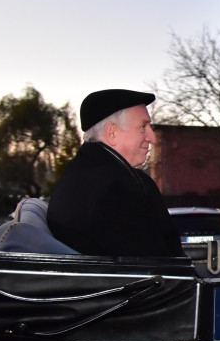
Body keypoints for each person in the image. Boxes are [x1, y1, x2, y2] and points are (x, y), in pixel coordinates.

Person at [47, 89, 184, 257]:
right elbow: (159, 268)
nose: (152, 138)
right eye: (143, 126)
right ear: (111, 133)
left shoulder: (78, 176)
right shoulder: (117, 189)